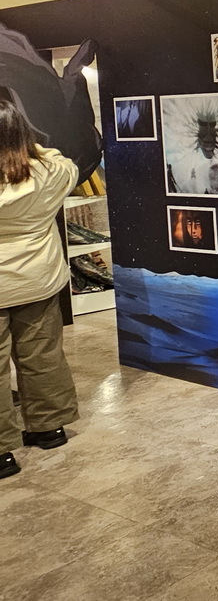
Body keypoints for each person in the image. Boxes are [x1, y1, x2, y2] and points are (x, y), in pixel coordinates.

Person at [0, 100, 82, 479]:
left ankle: (2, 453)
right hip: (38, 281)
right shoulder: (50, 173)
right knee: (43, 355)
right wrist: (28, 147)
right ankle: (49, 428)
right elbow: (66, 163)